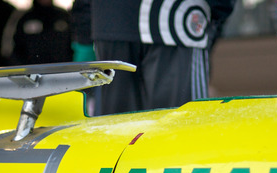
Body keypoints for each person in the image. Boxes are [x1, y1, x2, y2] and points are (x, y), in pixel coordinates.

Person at [91, 0, 235, 115]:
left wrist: (84, 28)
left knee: (117, 133)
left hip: (110, 18)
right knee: (181, 130)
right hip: (175, 18)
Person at [11, 0, 73, 65]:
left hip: (62, 70)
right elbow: (13, 48)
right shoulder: (24, 18)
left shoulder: (63, 16)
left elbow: (75, 43)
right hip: (32, 70)